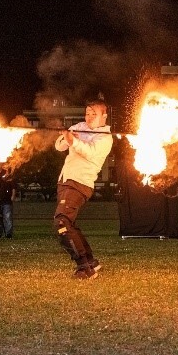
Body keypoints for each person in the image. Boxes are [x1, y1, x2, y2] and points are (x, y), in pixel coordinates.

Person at [53, 98, 113, 279]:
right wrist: (67, 137)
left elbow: (90, 154)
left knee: (61, 223)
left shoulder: (105, 138)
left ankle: (84, 267)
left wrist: (74, 142)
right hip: (65, 180)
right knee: (68, 223)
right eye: (87, 113)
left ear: (104, 116)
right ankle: (91, 261)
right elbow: (58, 146)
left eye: (94, 114)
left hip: (80, 182)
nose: (89, 117)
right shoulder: (79, 126)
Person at [0, 164, 17, 239]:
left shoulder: (7, 173)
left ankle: (8, 234)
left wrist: (13, 195)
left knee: (8, 217)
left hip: (7, 200)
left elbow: (13, 186)